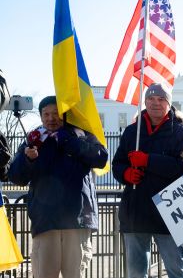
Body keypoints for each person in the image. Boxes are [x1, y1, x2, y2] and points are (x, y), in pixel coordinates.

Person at [8, 95, 108, 278]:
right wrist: (27, 159)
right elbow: (15, 176)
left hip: (76, 220)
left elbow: (101, 158)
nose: (51, 118)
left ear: (64, 114)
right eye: (46, 114)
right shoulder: (33, 139)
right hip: (45, 222)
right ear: (40, 117)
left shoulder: (81, 134)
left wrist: (68, 141)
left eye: (55, 113)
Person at [112, 82, 183, 278]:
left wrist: (148, 161)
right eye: (151, 98)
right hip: (135, 211)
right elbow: (117, 164)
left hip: (171, 213)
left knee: (177, 270)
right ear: (145, 101)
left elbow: (182, 168)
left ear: (168, 103)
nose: (155, 103)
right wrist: (125, 174)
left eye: (161, 99)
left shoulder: (182, 132)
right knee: (136, 272)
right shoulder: (132, 131)